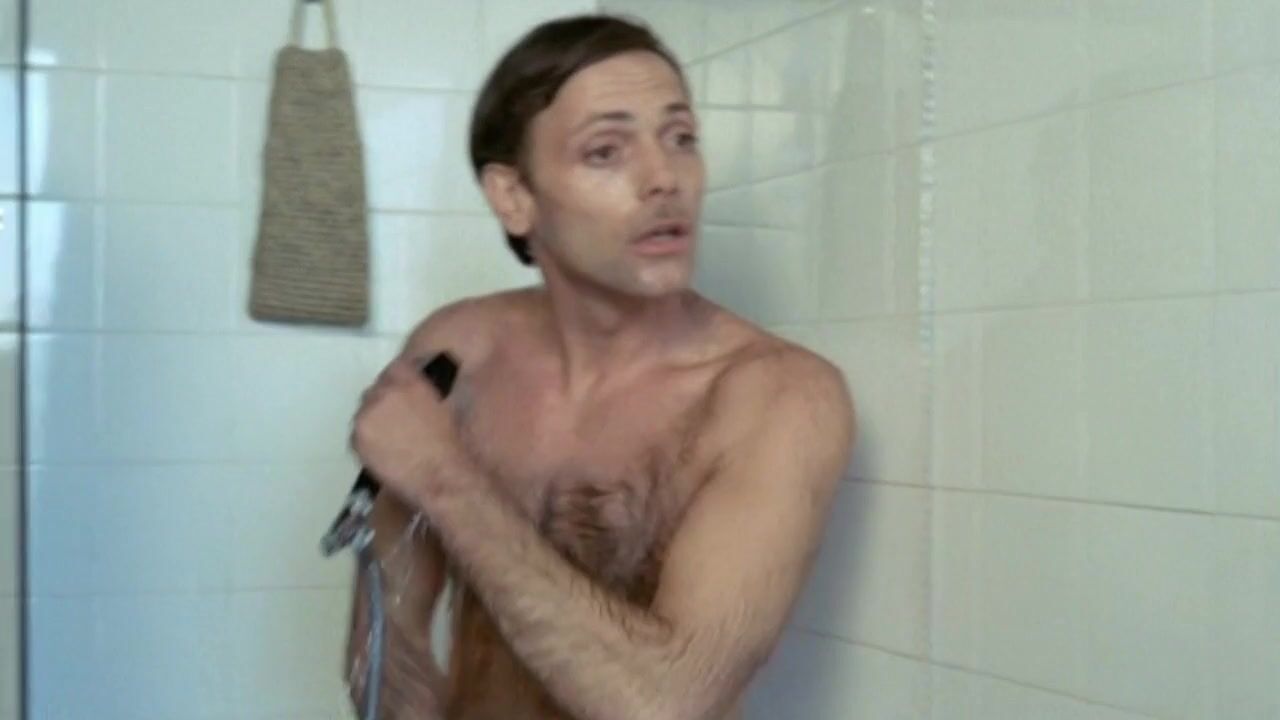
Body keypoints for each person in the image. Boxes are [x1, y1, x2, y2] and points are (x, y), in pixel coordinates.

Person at [344, 13, 856, 720]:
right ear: (514, 198)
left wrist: (443, 479)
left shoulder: (780, 398)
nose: (664, 178)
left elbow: (667, 704)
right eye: (606, 151)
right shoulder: (458, 355)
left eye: (681, 139)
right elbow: (383, 648)